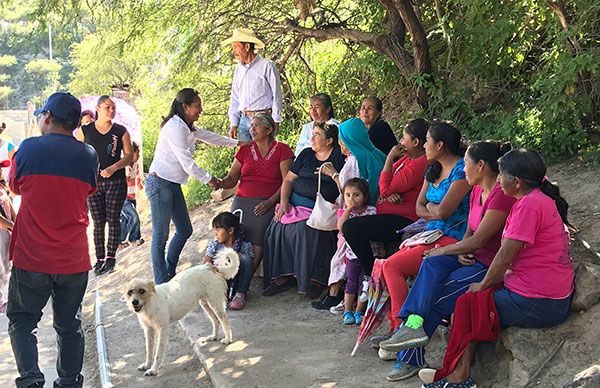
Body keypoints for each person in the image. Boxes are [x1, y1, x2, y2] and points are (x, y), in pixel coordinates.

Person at [413, 149, 575, 388]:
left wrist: (483, 284)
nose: (499, 180)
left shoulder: (528, 206)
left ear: (517, 182)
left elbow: (505, 257)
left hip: (540, 301)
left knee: (467, 303)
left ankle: (457, 377)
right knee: (470, 301)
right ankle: (456, 372)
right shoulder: (535, 199)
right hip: (544, 293)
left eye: (502, 176)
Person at [378, 141, 515, 381]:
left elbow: (481, 239)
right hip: (469, 255)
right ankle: (412, 325)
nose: (463, 169)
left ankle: (409, 358)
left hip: (486, 264)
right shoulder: (475, 190)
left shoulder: (500, 197)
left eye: (467, 164)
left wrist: (446, 250)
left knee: (440, 294)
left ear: (481, 166)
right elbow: (470, 231)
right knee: (430, 264)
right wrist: (457, 250)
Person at [7, 92, 99, 388]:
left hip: (32, 256)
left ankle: (32, 381)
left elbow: (15, 188)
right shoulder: (88, 155)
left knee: (22, 321)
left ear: (47, 117)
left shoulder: (28, 149)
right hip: (73, 260)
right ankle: (70, 382)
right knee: (69, 325)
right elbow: (88, 191)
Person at [382, 122, 471, 333]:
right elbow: (418, 208)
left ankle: (401, 328)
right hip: (431, 234)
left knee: (392, 266)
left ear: (440, 145)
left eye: (427, 142)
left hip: (454, 235)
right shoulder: (433, 168)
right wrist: (434, 208)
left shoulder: (462, 171)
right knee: (391, 264)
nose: (423, 147)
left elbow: (444, 212)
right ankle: (400, 326)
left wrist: (432, 208)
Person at [146, 88, 242, 284]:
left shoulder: (186, 126)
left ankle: (168, 271)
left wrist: (239, 143)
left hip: (172, 184)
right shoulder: (174, 127)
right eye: (197, 106)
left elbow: (210, 137)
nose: (201, 109)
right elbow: (187, 163)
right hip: (159, 183)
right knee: (160, 236)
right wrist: (210, 180)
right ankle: (161, 282)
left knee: (184, 229)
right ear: (185, 107)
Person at [340, 119, 429, 286]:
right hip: (388, 211)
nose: (400, 142)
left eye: (403, 138)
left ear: (416, 142)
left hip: (404, 219)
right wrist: (389, 192)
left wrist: (389, 158)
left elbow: (386, 186)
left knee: (350, 227)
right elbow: (386, 184)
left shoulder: (419, 163)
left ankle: (369, 273)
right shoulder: (407, 159)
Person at [262, 122, 345, 298]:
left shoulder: (339, 157)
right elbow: (288, 180)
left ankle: (313, 280)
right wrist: (284, 203)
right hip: (294, 203)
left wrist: (333, 174)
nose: (312, 138)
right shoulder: (306, 154)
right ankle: (283, 278)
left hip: (321, 209)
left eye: (317, 135)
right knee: (277, 226)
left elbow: (347, 188)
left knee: (304, 230)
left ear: (329, 140)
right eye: (312, 134)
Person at [311, 117, 386, 309]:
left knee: (342, 254)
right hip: (374, 211)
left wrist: (334, 174)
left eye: (342, 142)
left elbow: (348, 191)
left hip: (354, 212)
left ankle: (336, 295)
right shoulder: (377, 154)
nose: (341, 145)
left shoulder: (354, 160)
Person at [218, 113, 294, 275]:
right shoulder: (245, 150)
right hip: (242, 199)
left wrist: (270, 202)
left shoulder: (283, 150)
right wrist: (218, 182)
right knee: (231, 232)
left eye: (257, 125)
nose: (252, 129)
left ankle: (244, 281)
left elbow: (287, 181)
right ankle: (227, 275)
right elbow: (232, 179)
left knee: (257, 234)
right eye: (251, 125)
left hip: (267, 200)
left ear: (269, 129)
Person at [76, 95, 133, 276]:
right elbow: (76, 154)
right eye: (107, 107)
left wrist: (113, 167)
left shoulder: (120, 131)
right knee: (98, 221)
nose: (111, 111)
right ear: (98, 109)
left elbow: (129, 155)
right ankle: (99, 258)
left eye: (113, 108)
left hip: (115, 181)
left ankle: (111, 257)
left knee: (113, 219)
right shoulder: (85, 131)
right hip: (93, 183)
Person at [222, 28, 283, 141]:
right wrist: (234, 123)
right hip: (244, 119)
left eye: (236, 46)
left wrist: (276, 120)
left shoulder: (266, 66)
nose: (233, 51)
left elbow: (277, 94)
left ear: (247, 47)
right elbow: (235, 97)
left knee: (263, 154)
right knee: (245, 155)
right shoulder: (238, 70)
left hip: (263, 118)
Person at [336, 178, 377, 325]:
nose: (351, 199)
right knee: (351, 283)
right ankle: (348, 311)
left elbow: (377, 231)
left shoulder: (372, 211)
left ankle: (359, 311)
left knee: (365, 284)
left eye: (356, 195)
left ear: (364, 196)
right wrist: (348, 209)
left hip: (369, 255)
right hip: (352, 256)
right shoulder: (344, 213)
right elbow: (341, 227)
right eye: (348, 195)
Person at [203, 212, 254, 310]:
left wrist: (237, 258)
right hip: (219, 281)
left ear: (230, 230)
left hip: (236, 281)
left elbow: (249, 268)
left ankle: (239, 294)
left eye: (218, 229)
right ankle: (219, 297)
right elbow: (206, 264)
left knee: (246, 258)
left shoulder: (243, 246)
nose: (215, 233)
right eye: (215, 230)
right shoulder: (215, 245)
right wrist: (213, 266)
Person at [119, 141, 144, 248]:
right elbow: (124, 180)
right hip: (122, 196)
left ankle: (118, 241)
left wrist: (139, 185)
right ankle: (134, 239)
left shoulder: (135, 165)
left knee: (125, 219)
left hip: (132, 195)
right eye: (137, 153)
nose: (138, 156)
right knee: (133, 216)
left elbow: (136, 177)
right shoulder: (122, 165)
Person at [0, 160, 15, 313]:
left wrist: (17, 225)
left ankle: (6, 296)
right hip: (2, 232)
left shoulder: (3, 188)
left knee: (7, 265)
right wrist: (12, 226)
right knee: (1, 266)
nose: (1, 171)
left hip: (7, 231)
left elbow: (11, 208)